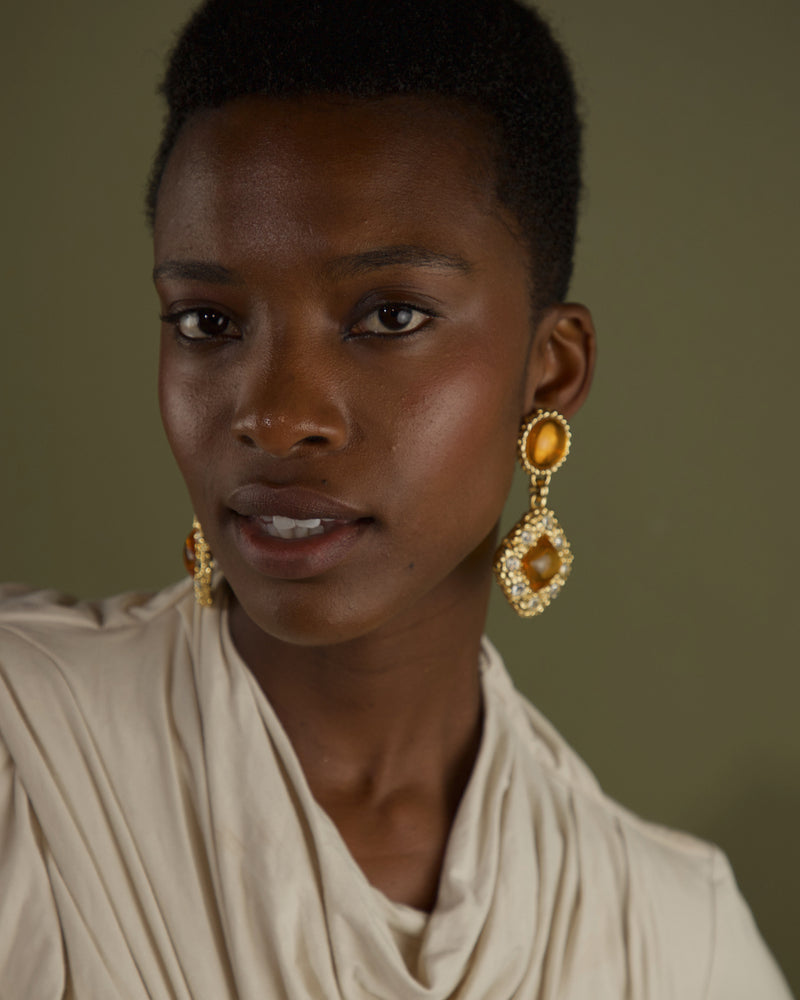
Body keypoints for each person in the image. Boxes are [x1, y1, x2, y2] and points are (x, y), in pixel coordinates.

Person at [0, 0, 793, 997]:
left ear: (547, 375)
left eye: (389, 314)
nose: (276, 416)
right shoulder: (24, 767)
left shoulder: (674, 940)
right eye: (206, 320)